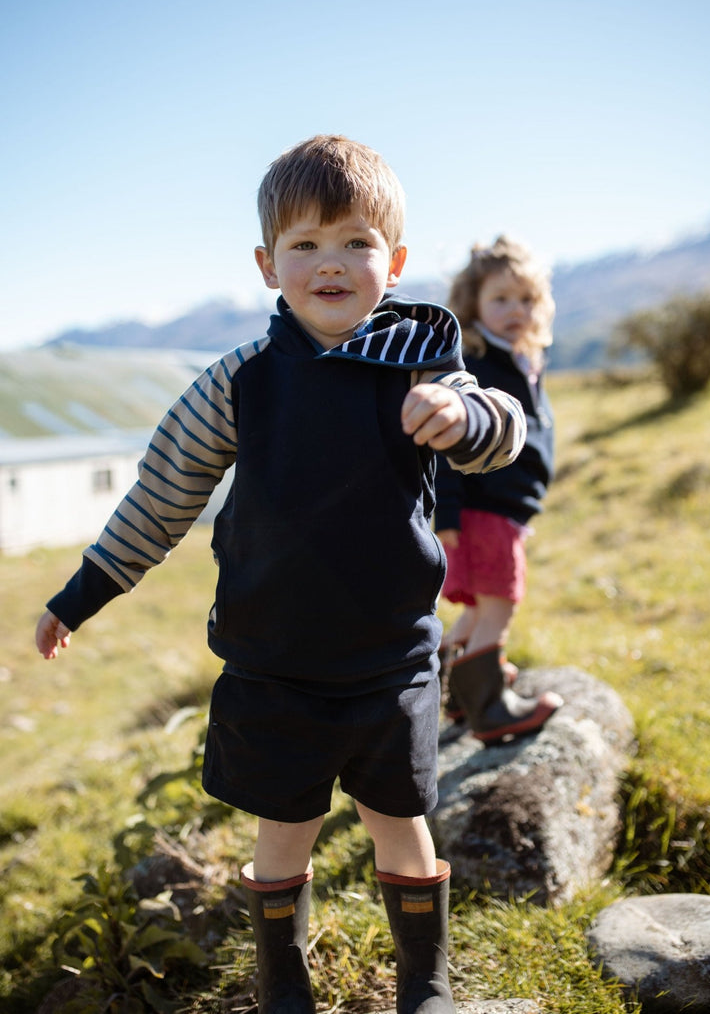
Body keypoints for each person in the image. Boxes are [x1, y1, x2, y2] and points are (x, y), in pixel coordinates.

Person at [35, 136, 527, 1014]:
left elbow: (504, 427)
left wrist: (461, 411)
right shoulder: (239, 382)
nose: (329, 263)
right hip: (274, 662)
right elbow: (163, 495)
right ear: (268, 264)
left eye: (354, 241)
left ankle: (427, 979)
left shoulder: (421, 359)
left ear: (395, 260)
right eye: (303, 244)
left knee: (400, 821)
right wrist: (82, 595)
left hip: (391, 660)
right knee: (283, 828)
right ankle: (283, 980)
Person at [434, 236, 563, 744]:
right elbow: (449, 444)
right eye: (501, 299)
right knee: (499, 608)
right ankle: (491, 710)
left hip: (501, 514)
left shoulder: (519, 361)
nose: (516, 311)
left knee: (476, 609)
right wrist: (446, 513)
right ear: (474, 305)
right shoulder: (479, 367)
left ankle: (455, 695)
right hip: (483, 511)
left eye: (527, 300)